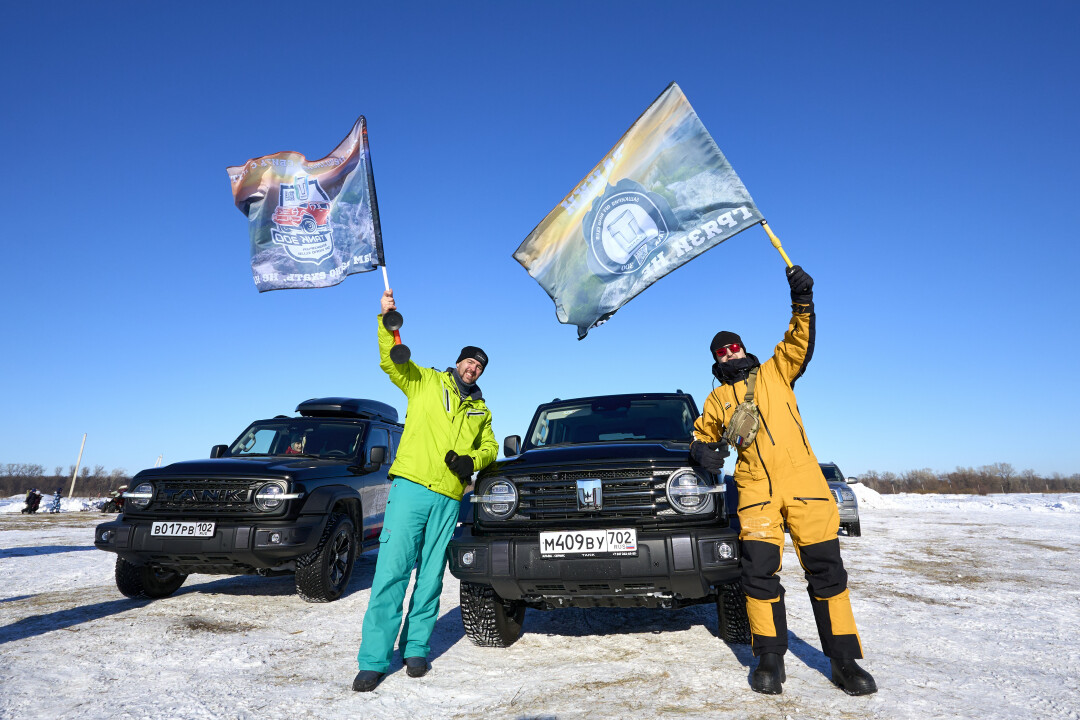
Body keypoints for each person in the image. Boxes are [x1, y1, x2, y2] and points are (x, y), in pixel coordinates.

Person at [690, 265, 877, 696]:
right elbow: (703, 435)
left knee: (828, 573)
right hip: (755, 492)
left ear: (744, 349)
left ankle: (844, 660)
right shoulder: (716, 398)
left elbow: (799, 339)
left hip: (805, 486)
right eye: (721, 353)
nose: (729, 354)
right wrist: (703, 451)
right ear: (716, 362)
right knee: (759, 577)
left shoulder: (777, 371)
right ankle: (769, 657)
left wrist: (802, 301)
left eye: (734, 347)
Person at [353, 289, 498, 692]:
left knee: (431, 576)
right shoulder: (426, 383)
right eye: (469, 361)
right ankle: (374, 659)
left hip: (449, 497)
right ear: (457, 362)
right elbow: (392, 362)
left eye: (480, 366)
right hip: (412, 488)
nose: (473, 369)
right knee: (392, 571)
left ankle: (416, 648)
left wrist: (473, 463)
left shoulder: (481, 411)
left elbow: (491, 447)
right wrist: (387, 321)